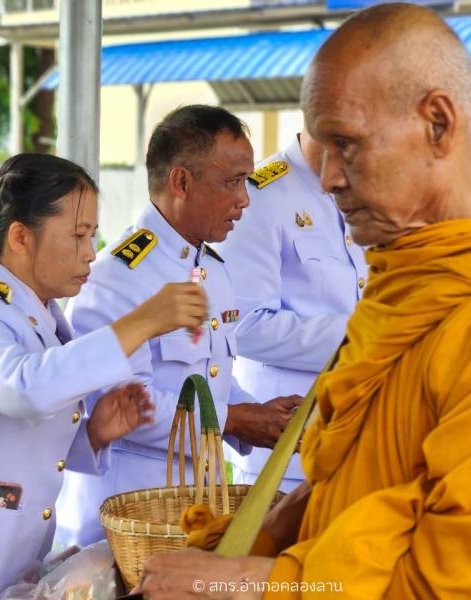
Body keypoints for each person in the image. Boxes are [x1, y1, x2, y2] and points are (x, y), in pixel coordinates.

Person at [139, 4, 471, 598]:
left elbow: (463, 574)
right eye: (320, 150)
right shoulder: (404, 284)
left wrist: (258, 581)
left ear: (437, 124)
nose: (327, 178)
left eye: (345, 145)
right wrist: (243, 545)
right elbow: (344, 485)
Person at [0, 153, 208, 600]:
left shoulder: (41, 318)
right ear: (21, 237)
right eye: (79, 235)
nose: (91, 252)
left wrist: (94, 434)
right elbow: (23, 388)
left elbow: (19, 435)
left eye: (93, 235)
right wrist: (140, 322)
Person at [55, 105, 302, 548]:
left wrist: (264, 413)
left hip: (192, 512)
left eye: (247, 181)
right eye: (233, 181)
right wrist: (236, 421)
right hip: (125, 519)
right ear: (181, 182)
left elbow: (213, 382)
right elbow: (126, 409)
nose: (244, 199)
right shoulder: (119, 276)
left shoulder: (212, 268)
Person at [215, 131, 368, 493]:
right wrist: (363, 334)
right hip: (284, 446)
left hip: (356, 433)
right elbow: (243, 325)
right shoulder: (258, 195)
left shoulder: (366, 193)